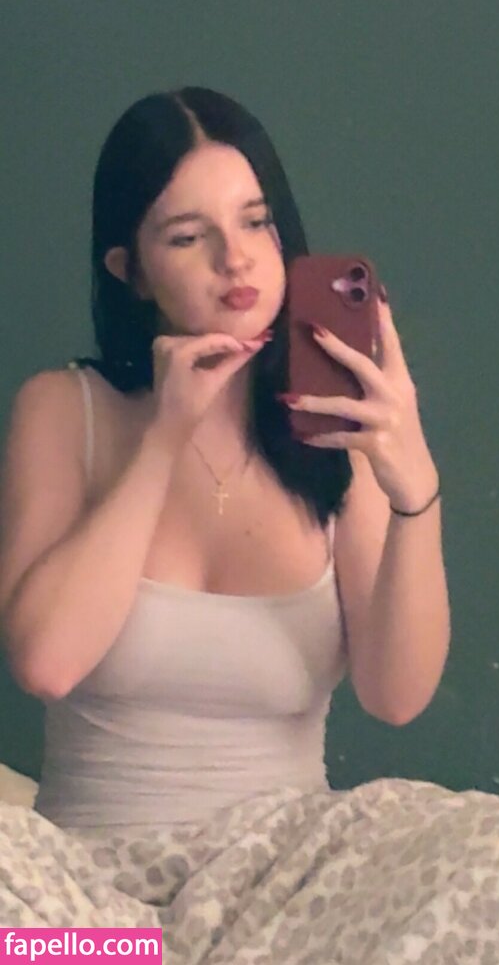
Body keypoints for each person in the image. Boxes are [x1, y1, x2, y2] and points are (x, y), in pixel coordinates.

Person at [0, 86, 450, 835]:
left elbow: (396, 698)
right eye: (187, 237)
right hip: (89, 879)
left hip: (283, 878)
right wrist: (163, 439)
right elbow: (46, 664)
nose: (235, 258)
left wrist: (415, 491)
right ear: (130, 270)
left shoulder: (340, 428)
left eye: (256, 221)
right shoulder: (63, 408)